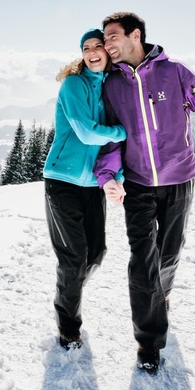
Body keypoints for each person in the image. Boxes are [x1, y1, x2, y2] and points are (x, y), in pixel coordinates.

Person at [94, 12, 195, 374]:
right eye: (104, 39)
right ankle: (149, 343)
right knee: (142, 263)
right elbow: (111, 137)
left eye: (111, 37)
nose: (107, 44)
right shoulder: (111, 85)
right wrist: (108, 175)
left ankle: (162, 294)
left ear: (135, 35)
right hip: (137, 185)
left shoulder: (175, 73)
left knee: (167, 257)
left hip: (178, 180)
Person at [43, 28, 127, 350]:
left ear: (107, 53)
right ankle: (68, 327)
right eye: (86, 48)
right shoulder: (73, 84)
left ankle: (69, 287)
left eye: (97, 47)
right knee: (74, 257)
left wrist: (115, 175)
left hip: (92, 184)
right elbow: (85, 132)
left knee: (96, 252)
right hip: (61, 181)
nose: (92, 52)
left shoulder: (109, 89)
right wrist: (123, 132)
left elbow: (108, 151)